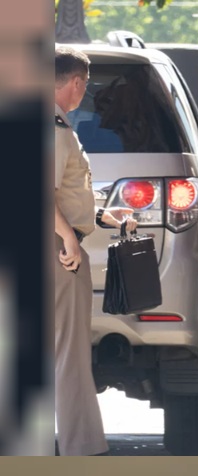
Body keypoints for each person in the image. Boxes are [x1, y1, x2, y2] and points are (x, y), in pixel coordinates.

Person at [54, 45, 137, 455]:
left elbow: (67, 191)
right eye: (83, 87)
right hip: (55, 251)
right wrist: (68, 237)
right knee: (68, 354)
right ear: (76, 83)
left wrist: (104, 215)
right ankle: (83, 449)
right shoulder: (50, 125)